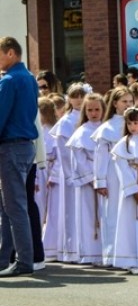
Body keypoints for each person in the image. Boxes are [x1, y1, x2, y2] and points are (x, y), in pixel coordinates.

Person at [0, 37, 40, 277]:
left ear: (11, 53)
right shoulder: (30, 79)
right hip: (25, 145)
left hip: (11, 146)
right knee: (9, 206)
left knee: (13, 207)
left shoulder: (10, 80)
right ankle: (5, 257)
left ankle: (24, 261)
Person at [111, 106, 138, 274]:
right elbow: (121, 167)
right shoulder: (123, 144)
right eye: (129, 123)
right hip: (132, 186)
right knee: (131, 223)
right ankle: (131, 260)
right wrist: (133, 190)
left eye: (136, 123)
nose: (133, 127)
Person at [92, 87, 133, 267]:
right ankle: (112, 254)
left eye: (131, 101)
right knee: (113, 212)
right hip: (113, 174)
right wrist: (99, 181)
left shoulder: (137, 122)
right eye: (124, 101)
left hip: (133, 172)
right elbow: (100, 158)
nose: (128, 105)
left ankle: (131, 252)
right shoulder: (107, 128)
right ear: (115, 103)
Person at [67, 92, 105, 265]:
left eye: (97, 109)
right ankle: (90, 253)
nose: (94, 113)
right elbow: (79, 160)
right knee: (89, 216)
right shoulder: (81, 132)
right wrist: (93, 178)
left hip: (106, 180)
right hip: (89, 182)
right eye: (90, 110)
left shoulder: (108, 128)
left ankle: (106, 252)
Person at [50, 83, 86, 263]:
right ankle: (71, 248)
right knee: (71, 210)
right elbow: (62, 152)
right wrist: (71, 173)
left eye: (81, 95)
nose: (79, 99)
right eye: (75, 96)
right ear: (69, 99)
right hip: (71, 171)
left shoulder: (92, 117)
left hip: (88, 171)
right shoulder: (66, 121)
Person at [39, 97, 65, 263]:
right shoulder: (39, 130)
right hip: (40, 172)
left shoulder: (52, 131)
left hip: (50, 172)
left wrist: (54, 175)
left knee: (52, 210)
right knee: (40, 207)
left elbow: (58, 157)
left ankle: (52, 246)